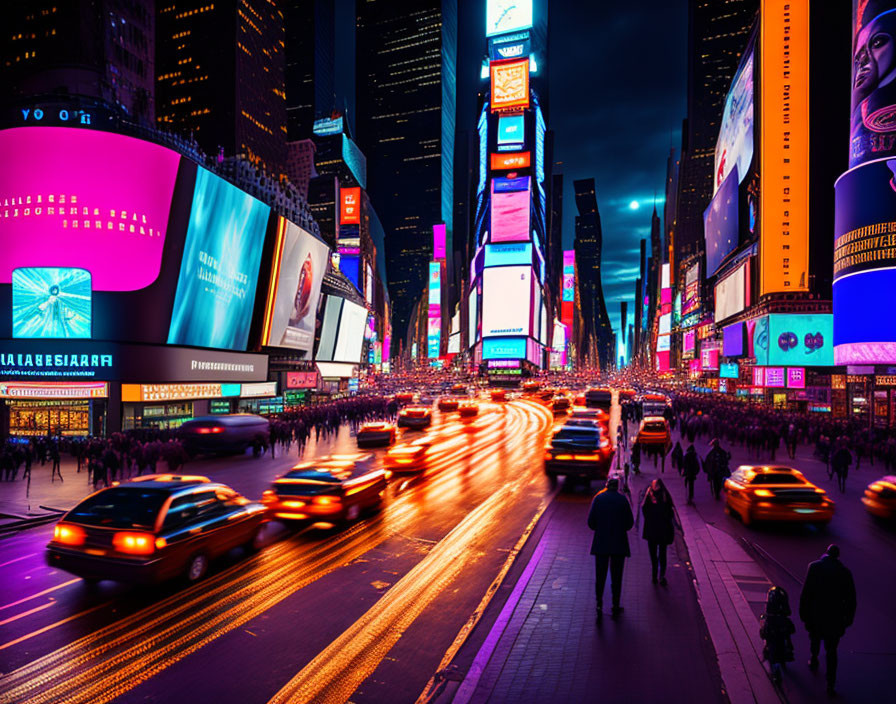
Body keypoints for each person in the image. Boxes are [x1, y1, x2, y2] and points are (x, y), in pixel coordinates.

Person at [799, 544, 856, 696]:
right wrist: (847, 620)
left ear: (826, 553)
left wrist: (804, 614)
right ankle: (830, 684)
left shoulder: (814, 567)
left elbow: (806, 593)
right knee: (832, 650)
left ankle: (814, 658)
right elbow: (851, 600)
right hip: (835, 619)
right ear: (837, 556)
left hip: (816, 615)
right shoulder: (845, 573)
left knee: (815, 638)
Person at [587, 477, 634, 620]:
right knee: (617, 576)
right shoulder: (623, 500)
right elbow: (630, 523)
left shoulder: (598, 499)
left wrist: (600, 529)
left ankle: (599, 604)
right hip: (619, 544)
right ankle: (615, 604)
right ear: (617, 486)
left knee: (600, 576)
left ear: (607, 485)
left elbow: (591, 523)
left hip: (601, 544)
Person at [640, 479, 675, 586]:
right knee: (662, 553)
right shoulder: (665, 495)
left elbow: (644, 510)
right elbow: (671, 513)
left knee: (653, 554)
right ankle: (662, 575)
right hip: (663, 530)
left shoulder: (648, 496)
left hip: (651, 530)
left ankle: (654, 575)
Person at [759, 586, 795, 684]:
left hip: (773, 634)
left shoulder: (769, 619)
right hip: (781, 630)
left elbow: (763, 633)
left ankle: (771, 655)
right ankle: (788, 648)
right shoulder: (784, 619)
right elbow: (788, 613)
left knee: (766, 634)